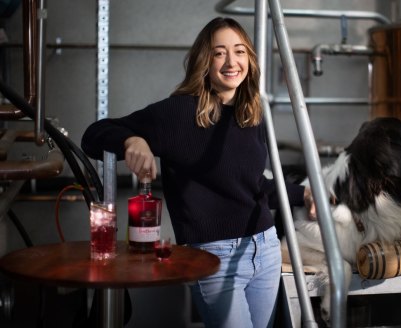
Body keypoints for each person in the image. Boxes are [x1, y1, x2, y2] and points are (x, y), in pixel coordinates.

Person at [81, 17, 314, 328]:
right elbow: (94, 134)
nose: (232, 62)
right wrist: (131, 140)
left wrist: (303, 194)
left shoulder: (252, 113)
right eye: (219, 53)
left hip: (265, 248)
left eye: (240, 51)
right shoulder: (178, 114)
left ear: (250, 59)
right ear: (205, 61)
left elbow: (252, 184)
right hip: (214, 257)